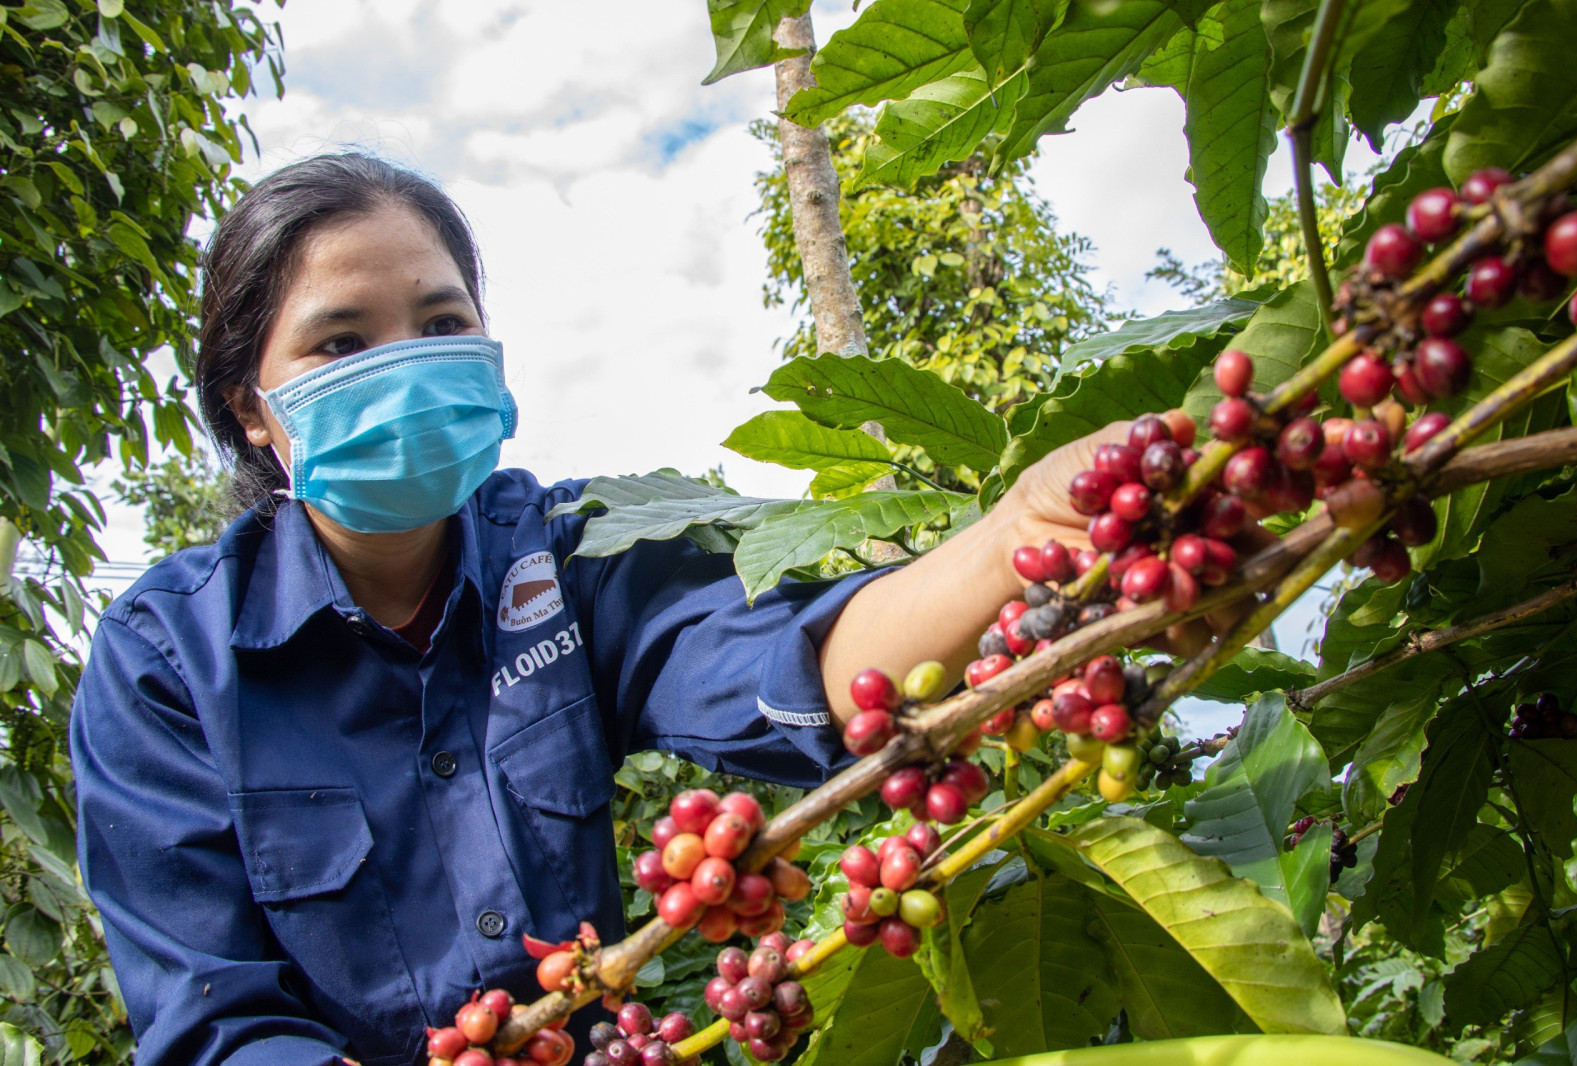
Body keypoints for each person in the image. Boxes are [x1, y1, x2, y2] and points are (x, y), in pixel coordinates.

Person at [70, 154, 1157, 1066]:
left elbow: (793, 666)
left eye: (439, 321)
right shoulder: (169, 660)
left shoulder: (571, 554)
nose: (403, 365)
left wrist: (1029, 530)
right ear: (251, 409)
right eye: (341, 343)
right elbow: (216, 1021)